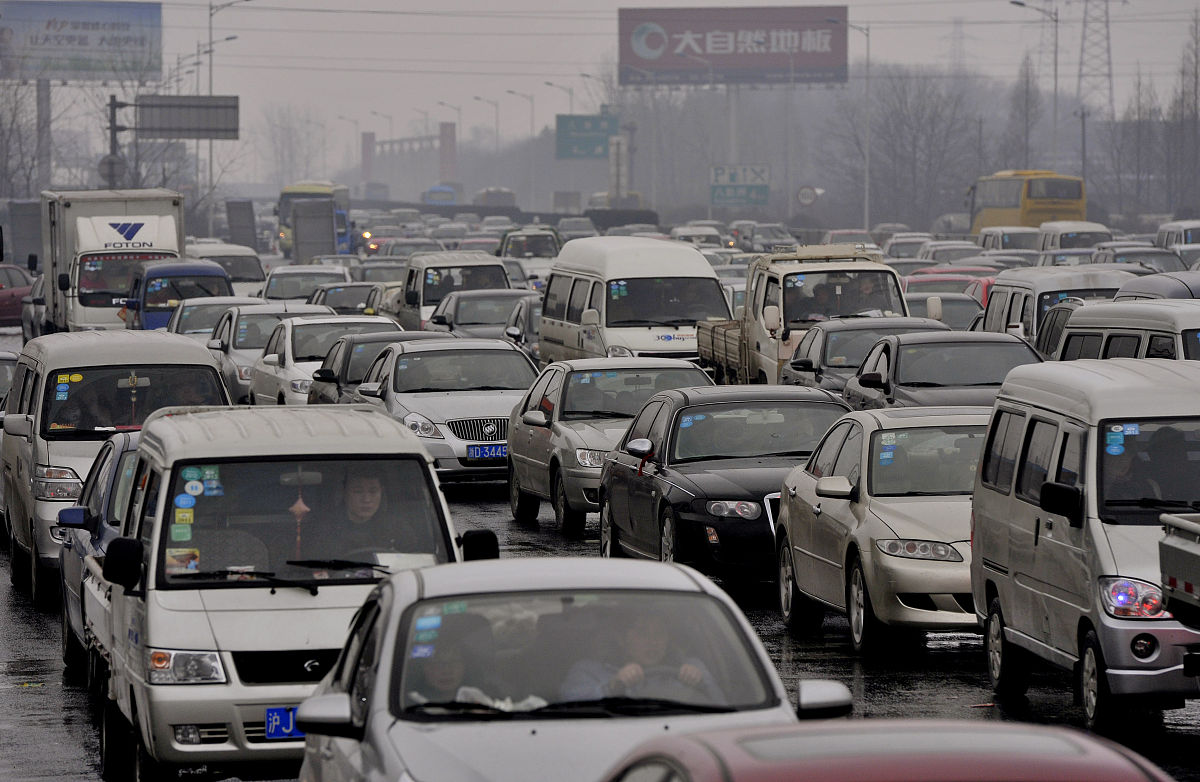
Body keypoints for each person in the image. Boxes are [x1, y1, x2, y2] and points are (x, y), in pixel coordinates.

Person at [559, 610, 724, 703]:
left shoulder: (692, 666)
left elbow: (724, 707)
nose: (653, 641)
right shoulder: (588, 671)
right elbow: (568, 705)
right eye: (642, 632)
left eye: (660, 633)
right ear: (621, 639)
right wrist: (612, 687)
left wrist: (702, 684)